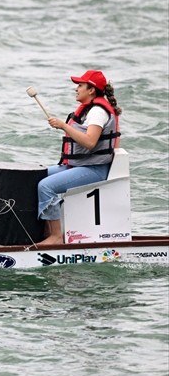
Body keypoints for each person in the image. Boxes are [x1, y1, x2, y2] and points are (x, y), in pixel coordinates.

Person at [37, 69, 122, 246]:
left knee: (46, 186)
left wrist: (63, 126)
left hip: (95, 169)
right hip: (82, 165)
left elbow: (90, 142)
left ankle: (56, 237)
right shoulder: (89, 110)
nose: (76, 89)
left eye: (80, 85)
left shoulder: (98, 112)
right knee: (34, 176)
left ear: (91, 90)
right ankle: (44, 230)